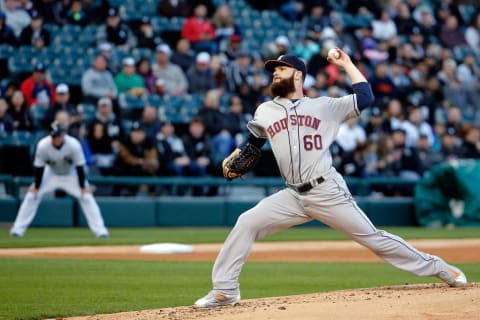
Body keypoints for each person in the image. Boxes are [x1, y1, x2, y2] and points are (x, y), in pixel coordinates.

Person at [194, 52, 467, 308]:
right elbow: (252, 144)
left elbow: (365, 97)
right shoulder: (265, 110)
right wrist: (236, 157)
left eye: (281, 69)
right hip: (292, 196)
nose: (275, 73)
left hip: (327, 190)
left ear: (298, 75)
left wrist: (346, 64)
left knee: (374, 239)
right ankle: (226, 289)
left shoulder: (324, 106)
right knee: (247, 222)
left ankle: (438, 267)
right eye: (273, 70)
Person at [9, 121, 109, 238]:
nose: (57, 138)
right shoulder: (43, 145)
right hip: (50, 173)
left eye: (59, 135)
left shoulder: (73, 144)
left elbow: (80, 167)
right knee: (31, 195)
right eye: (55, 136)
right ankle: (17, 230)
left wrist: (83, 187)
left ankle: (101, 231)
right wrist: (36, 186)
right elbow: (39, 168)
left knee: (87, 197)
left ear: (64, 135)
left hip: (71, 174)